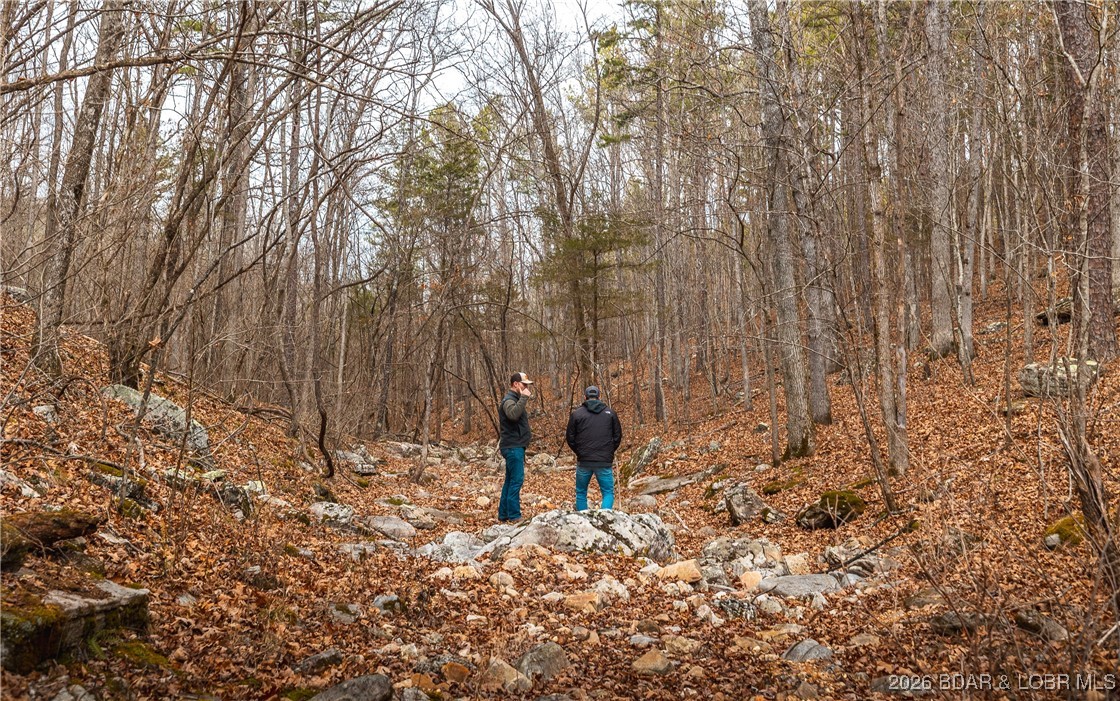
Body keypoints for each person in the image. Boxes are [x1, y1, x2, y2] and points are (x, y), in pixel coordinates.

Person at [565, 385, 622, 511]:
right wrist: (608, 451)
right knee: (608, 492)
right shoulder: (610, 414)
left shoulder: (577, 414)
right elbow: (617, 436)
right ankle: (604, 519)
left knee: (581, 493)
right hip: (603, 460)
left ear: (585, 397)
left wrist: (580, 452)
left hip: (584, 460)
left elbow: (570, 438)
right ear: (599, 397)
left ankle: (583, 520)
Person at [498, 372, 533, 522]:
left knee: (510, 480)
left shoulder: (515, 399)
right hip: (513, 446)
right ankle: (514, 515)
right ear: (516, 384)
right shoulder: (509, 400)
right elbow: (512, 415)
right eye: (524, 384)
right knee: (516, 480)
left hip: (515, 445)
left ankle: (504, 514)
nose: (526, 388)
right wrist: (524, 398)